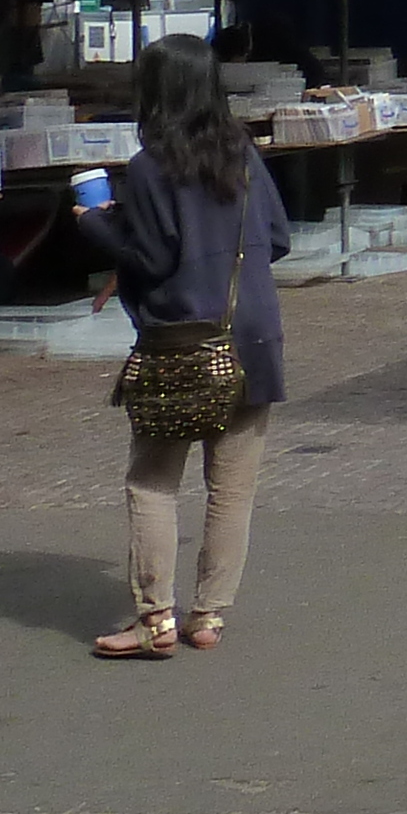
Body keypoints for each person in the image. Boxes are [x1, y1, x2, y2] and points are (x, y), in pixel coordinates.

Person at [76, 33, 289, 659]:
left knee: (153, 480)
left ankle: (155, 618)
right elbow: (275, 239)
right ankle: (209, 617)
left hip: (182, 342)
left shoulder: (148, 167)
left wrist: (94, 223)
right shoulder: (243, 154)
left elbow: (154, 253)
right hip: (253, 336)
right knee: (231, 487)